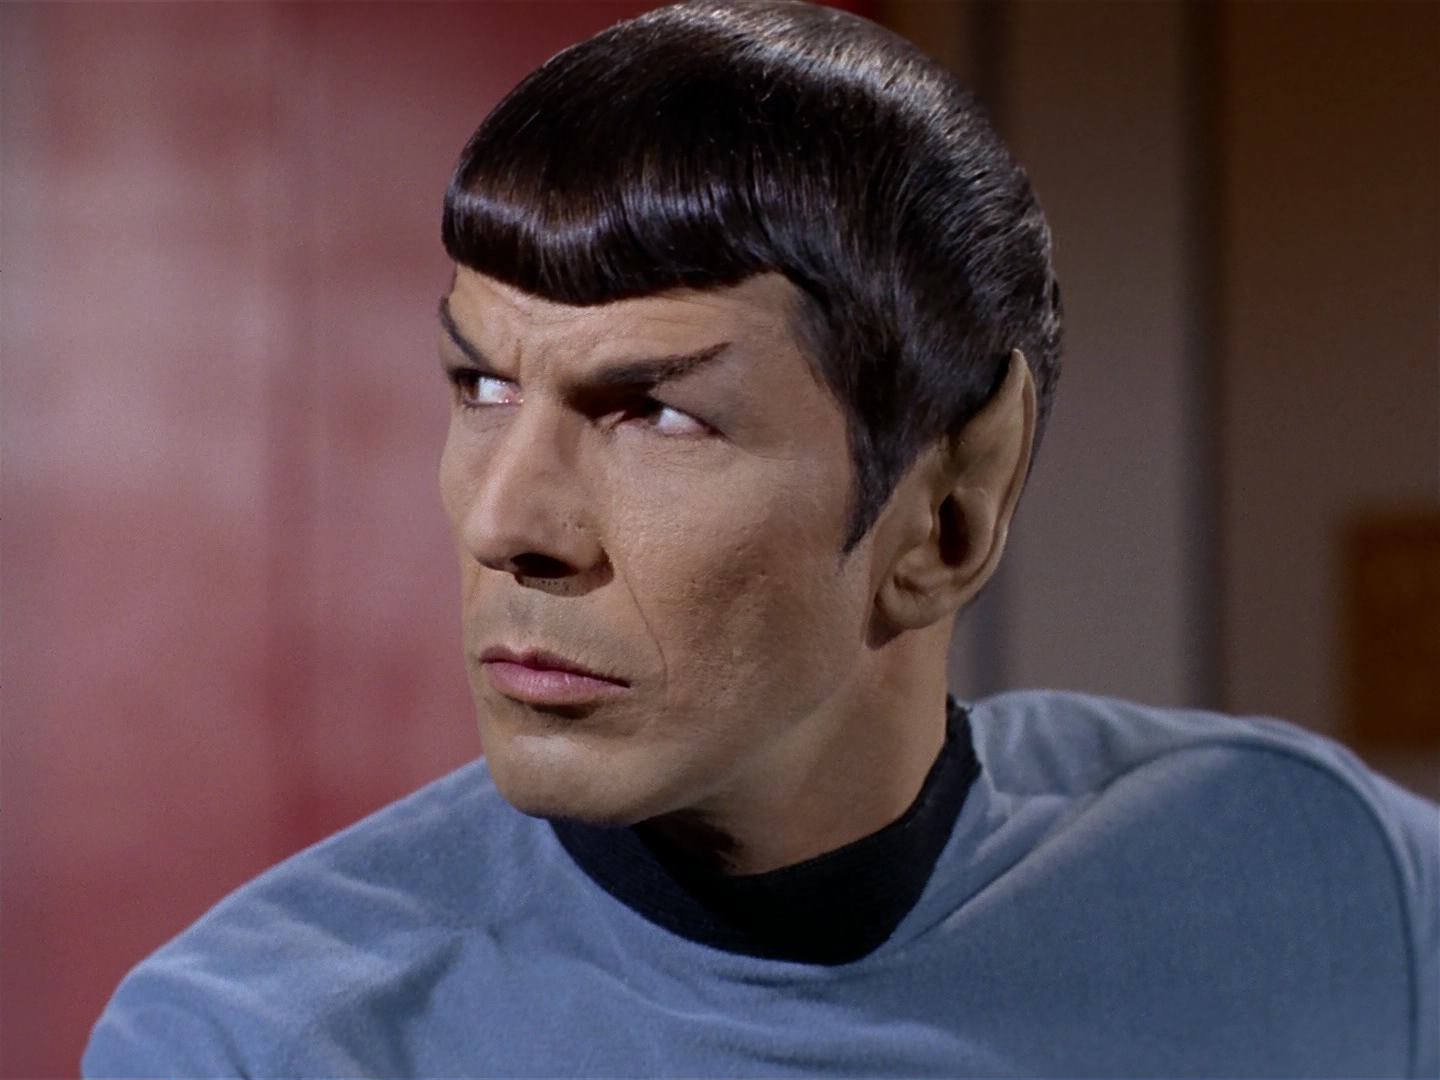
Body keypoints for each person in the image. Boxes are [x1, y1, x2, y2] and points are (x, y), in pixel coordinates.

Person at [84, 1, 1438, 1076]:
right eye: (482, 388)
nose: (507, 524)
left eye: (657, 412)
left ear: (951, 509)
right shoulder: (258, 1043)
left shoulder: (1324, 877)